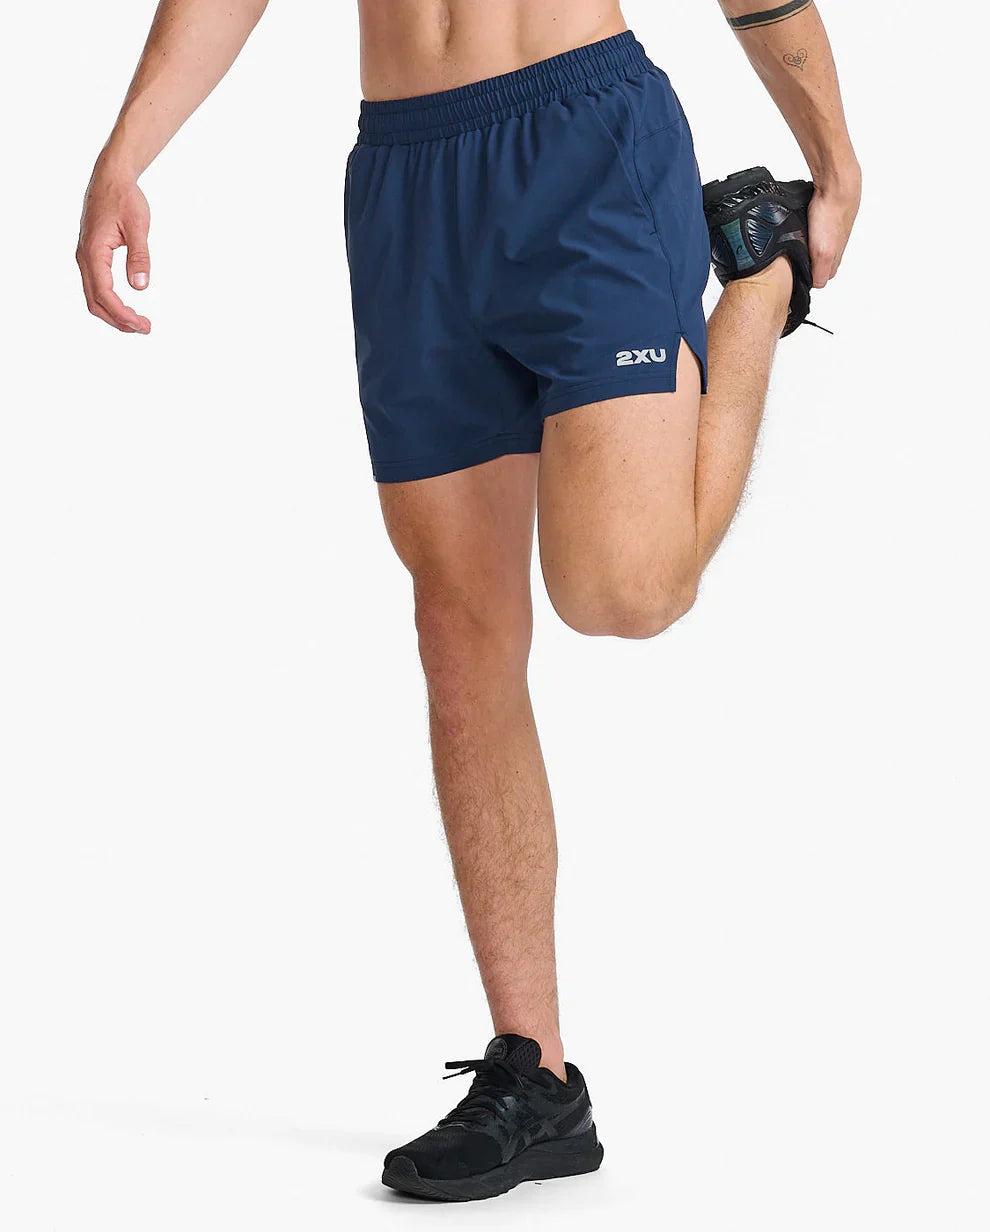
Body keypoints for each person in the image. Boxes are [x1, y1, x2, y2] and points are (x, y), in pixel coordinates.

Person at [77, 0, 860, 1203]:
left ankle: (761, 273)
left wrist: (833, 153)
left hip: (583, 137)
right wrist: (127, 151)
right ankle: (535, 1073)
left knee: (625, 588)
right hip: (407, 176)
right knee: (458, 624)